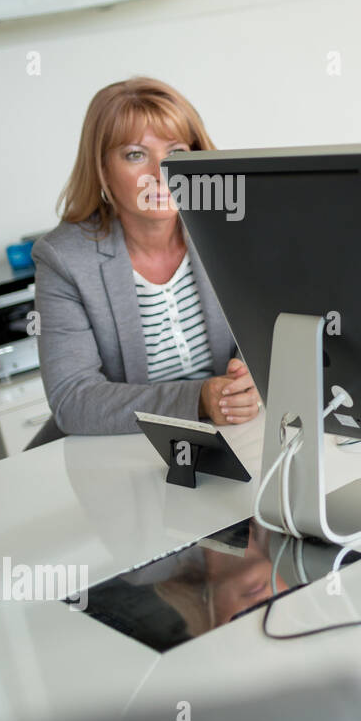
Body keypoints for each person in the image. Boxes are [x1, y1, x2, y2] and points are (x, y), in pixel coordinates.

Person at [29, 77, 258, 445]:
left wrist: (254, 378)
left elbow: (273, 334)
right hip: (112, 452)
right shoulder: (64, 259)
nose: (161, 172)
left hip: (230, 439)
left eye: (177, 152)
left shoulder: (233, 230)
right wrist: (198, 400)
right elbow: (74, 399)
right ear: (102, 169)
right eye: (136, 154)